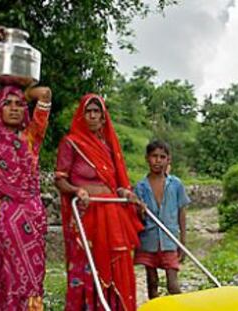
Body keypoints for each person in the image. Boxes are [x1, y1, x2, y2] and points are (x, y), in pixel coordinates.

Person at [0, 26, 52, 311]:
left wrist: (21, 92)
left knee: (27, 282)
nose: (15, 108)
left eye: (19, 104)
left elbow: (46, 93)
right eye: (8, 103)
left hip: (27, 221)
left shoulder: (32, 137)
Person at [55, 94, 144, 311]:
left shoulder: (109, 147)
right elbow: (60, 180)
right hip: (86, 213)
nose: (93, 115)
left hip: (112, 214)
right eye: (89, 111)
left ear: (104, 118)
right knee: (88, 267)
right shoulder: (72, 143)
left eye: (97, 112)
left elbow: (115, 183)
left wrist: (126, 193)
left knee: (116, 266)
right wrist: (78, 190)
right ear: (81, 115)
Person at [134, 140, 190, 299]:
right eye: (154, 156)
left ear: (168, 160)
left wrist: (183, 241)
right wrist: (140, 210)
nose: (158, 160)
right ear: (147, 158)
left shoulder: (176, 184)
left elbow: (181, 212)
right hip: (148, 240)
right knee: (152, 282)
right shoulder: (140, 187)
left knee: (173, 285)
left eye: (162, 157)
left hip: (170, 240)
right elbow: (137, 218)